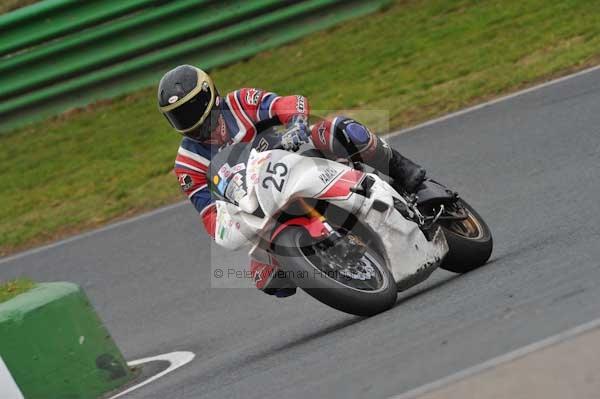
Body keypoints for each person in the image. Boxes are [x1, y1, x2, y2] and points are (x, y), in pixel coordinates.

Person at [158, 65, 426, 297]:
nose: (189, 121)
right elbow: (209, 214)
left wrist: (297, 123)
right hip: (260, 204)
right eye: (178, 115)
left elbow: (288, 103)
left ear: (210, 95)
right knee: (266, 278)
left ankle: (403, 171)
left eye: (191, 109)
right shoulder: (187, 165)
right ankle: (324, 263)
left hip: (298, 157)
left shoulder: (240, 102)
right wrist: (227, 223)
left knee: (340, 129)